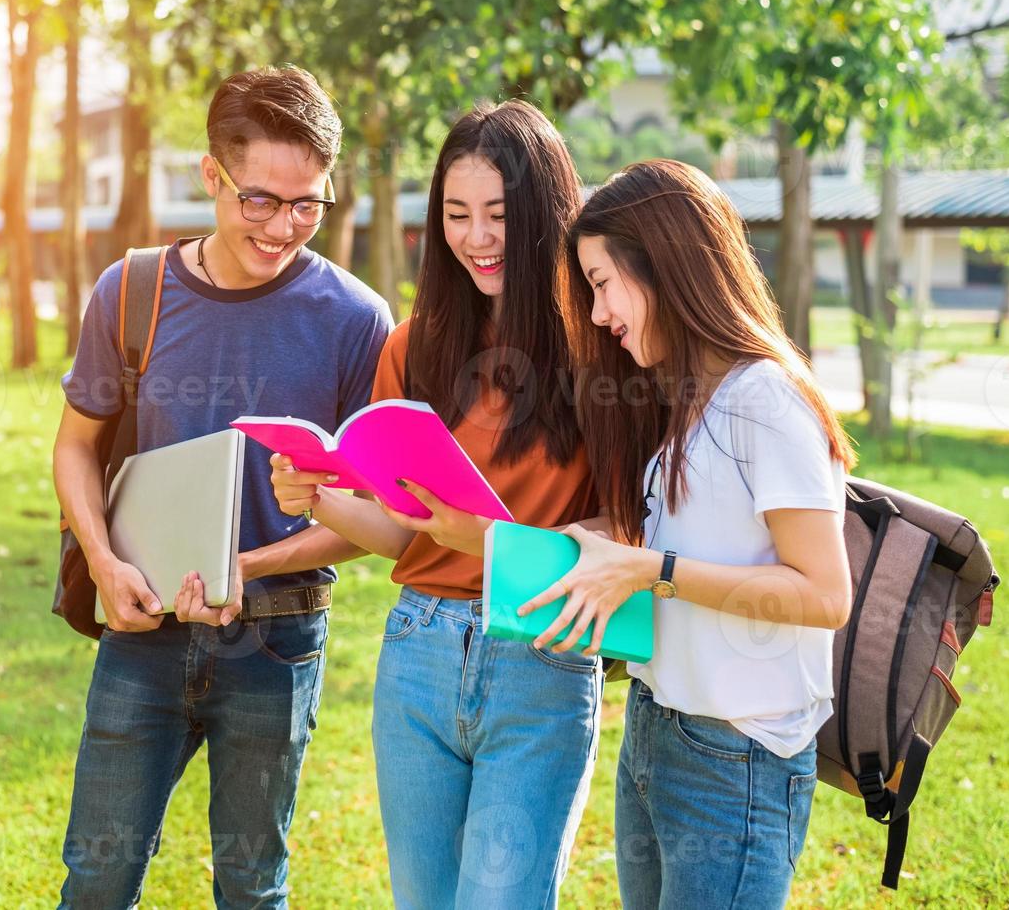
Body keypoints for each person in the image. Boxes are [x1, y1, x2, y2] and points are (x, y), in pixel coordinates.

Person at [53, 65, 393, 909]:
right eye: (261, 201)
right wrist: (100, 561)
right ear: (212, 175)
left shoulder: (357, 322)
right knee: (95, 883)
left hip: (276, 643)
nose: (284, 227)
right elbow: (74, 448)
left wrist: (253, 562)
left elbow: (378, 518)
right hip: (145, 630)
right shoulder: (130, 292)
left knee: (252, 889)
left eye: (307, 204)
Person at [269, 100, 601, 909]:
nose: (478, 237)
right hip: (418, 650)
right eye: (457, 215)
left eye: (499, 215)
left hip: (538, 648)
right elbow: (398, 529)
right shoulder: (415, 344)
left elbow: (626, 528)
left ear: (545, 216)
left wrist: (485, 537)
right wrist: (317, 496)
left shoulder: (600, 343)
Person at [534, 158, 854, 908]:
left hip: (736, 757)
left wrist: (652, 570)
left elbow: (823, 594)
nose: (601, 312)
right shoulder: (687, 399)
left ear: (666, 264)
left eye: (603, 283)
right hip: (657, 731)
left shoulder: (766, 400)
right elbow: (684, 542)